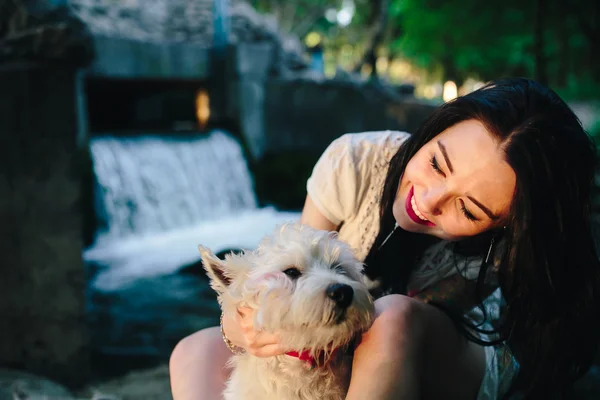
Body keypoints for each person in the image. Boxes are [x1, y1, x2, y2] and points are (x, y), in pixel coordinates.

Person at [169, 78, 600, 399]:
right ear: (436, 126)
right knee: (195, 350)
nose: (427, 201)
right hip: (351, 341)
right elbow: (291, 274)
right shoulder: (353, 162)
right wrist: (240, 327)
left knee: (390, 317)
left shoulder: (522, 248)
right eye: (436, 163)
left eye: (468, 209)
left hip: (457, 356)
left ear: (509, 225)